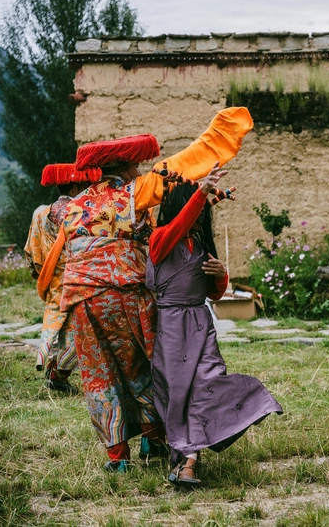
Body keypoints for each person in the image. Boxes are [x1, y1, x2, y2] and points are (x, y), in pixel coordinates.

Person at [44, 107, 254, 472]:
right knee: (146, 367)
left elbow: (60, 254)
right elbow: (188, 162)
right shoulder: (132, 192)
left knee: (99, 374)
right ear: (125, 168)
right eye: (137, 166)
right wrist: (224, 131)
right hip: (125, 294)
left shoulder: (74, 206)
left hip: (79, 301)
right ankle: (155, 441)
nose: (141, 171)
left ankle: (116, 457)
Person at [146, 167, 282, 487]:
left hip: (200, 323)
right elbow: (178, 225)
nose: (199, 217)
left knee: (208, 384)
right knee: (179, 394)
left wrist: (221, 273)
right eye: (195, 209)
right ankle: (185, 460)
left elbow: (214, 294)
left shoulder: (201, 246)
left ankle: (192, 458)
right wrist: (203, 191)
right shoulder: (161, 240)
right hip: (169, 326)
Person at [24, 162, 100, 394]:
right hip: (78, 279)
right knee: (80, 330)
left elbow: (31, 252)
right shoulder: (80, 213)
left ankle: (55, 371)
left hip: (54, 281)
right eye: (86, 184)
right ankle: (59, 374)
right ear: (76, 186)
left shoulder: (41, 214)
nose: (89, 188)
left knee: (62, 328)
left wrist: (42, 275)